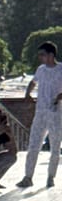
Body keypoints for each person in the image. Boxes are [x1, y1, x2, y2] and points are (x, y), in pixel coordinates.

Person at [17, 41, 62, 188]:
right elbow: (33, 82)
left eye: (42, 54)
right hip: (40, 111)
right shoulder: (41, 69)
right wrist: (28, 93)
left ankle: (51, 176)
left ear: (51, 55)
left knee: (55, 146)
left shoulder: (61, 69)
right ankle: (28, 177)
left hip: (55, 112)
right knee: (34, 144)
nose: (40, 57)